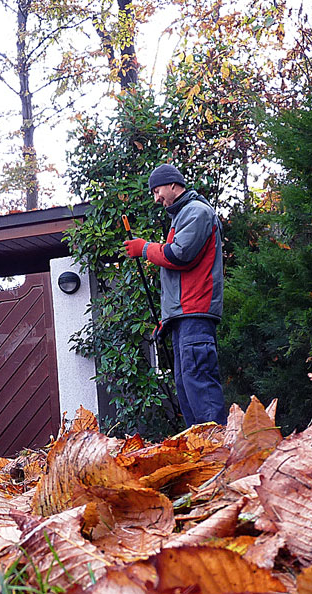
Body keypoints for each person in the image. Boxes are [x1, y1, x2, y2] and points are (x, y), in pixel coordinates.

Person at [123, 163, 229, 427]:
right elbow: (178, 275)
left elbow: (178, 255)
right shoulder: (180, 217)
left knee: (199, 384)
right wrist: (168, 316)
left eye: (157, 190)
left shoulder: (197, 212)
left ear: (173, 184)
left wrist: (145, 248)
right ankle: (201, 451)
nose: (156, 198)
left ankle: (219, 451)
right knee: (186, 385)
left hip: (196, 314)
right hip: (184, 316)